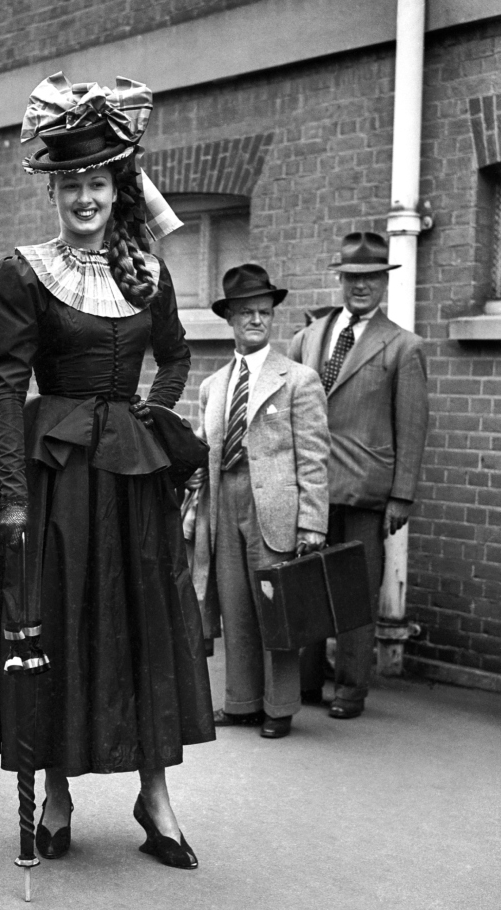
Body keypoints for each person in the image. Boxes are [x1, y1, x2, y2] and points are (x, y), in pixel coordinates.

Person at [0, 73, 215, 870]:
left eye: (97, 182)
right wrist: (11, 496)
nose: (84, 196)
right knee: (62, 623)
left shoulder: (148, 272)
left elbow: (175, 355)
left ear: (118, 188)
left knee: (143, 626)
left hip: (132, 479)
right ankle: (60, 793)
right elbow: (6, 390)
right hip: (57, 478)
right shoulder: (23, 274)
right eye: (70, 183)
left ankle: (155, 797)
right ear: (56, 194)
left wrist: (153, 413)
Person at [288, 232, 429, 719]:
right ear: (341, 280)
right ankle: (304, 685)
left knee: (354, 593)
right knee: (304, 586)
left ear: (383, 283)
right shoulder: (309, 337)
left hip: (365, 491)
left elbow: (412, 427)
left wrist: (401, 497)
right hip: (310, 487)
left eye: (371, 278)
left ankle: (350, 689)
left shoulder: (403, 347)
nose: (361, 286)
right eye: (353, 277)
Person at [189, 265, 330, 739]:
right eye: (246, 312)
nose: (256, 320)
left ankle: (279, 707)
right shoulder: (213, 386)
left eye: (264, 312)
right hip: (223, 504)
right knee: (234, 607)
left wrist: (312, 523)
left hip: (275, 508)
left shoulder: (298, 379)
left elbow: (313, 457)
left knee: (276, 608)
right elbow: (201, 451)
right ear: (229, 319)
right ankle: (242, 702)